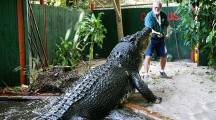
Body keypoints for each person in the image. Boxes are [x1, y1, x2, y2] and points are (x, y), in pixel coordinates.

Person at [143, 1, 171, 80]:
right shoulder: (149, 16)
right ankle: (146, 74)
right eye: (155, 7)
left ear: (160, 8)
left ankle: (162, 72)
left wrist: (168, 33)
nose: (156, 8)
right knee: (148, 57)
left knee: (164, 55)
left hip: (160, 39)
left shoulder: (163, 14)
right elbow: (149, 29)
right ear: (152, 7)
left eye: (158, 7)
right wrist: (157, 33)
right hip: (150, 39)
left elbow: (168, 25)